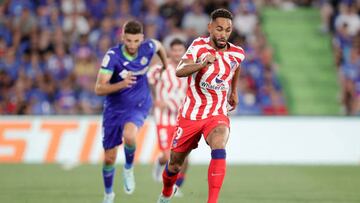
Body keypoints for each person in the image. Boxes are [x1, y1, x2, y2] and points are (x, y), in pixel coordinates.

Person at [157, 8, 245, 203]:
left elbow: (236, 67)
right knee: (174, 165)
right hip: (191, 114)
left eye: (228, 30)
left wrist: (234, 90)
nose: (223, 34)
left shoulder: (237, 53)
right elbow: (180, 71)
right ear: (210, 27)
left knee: (219, 144)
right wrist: (202, 63)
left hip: (217, 113)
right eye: (219, 29)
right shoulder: (198, 46)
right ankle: (165, 194)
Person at [94, 20, 168, 203]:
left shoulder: (148, 47)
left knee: (129, 135)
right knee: (109, 158)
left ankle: (128, 168)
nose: (133, 45)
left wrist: (165, 65)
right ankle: (109, 194)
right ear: (123, 38)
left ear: (142, 39)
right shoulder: (112, 56)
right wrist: (121, 84)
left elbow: (159, 46)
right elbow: (99, 88)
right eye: (129, 41)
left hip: (139, 104)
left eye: (136, 41)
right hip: (114, 109)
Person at [147, 38, 188, 196]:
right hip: (163, 116)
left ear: (184, 51)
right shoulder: (161, 67)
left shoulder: (188, 68)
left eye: (180, 50)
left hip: (181, 117)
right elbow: (149, 80)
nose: (177, 53)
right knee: (166, 155)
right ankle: (158, 167)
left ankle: (175, 187)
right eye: (175, 50)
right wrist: (155, 98)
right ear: (170, 51)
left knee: (182, 157)